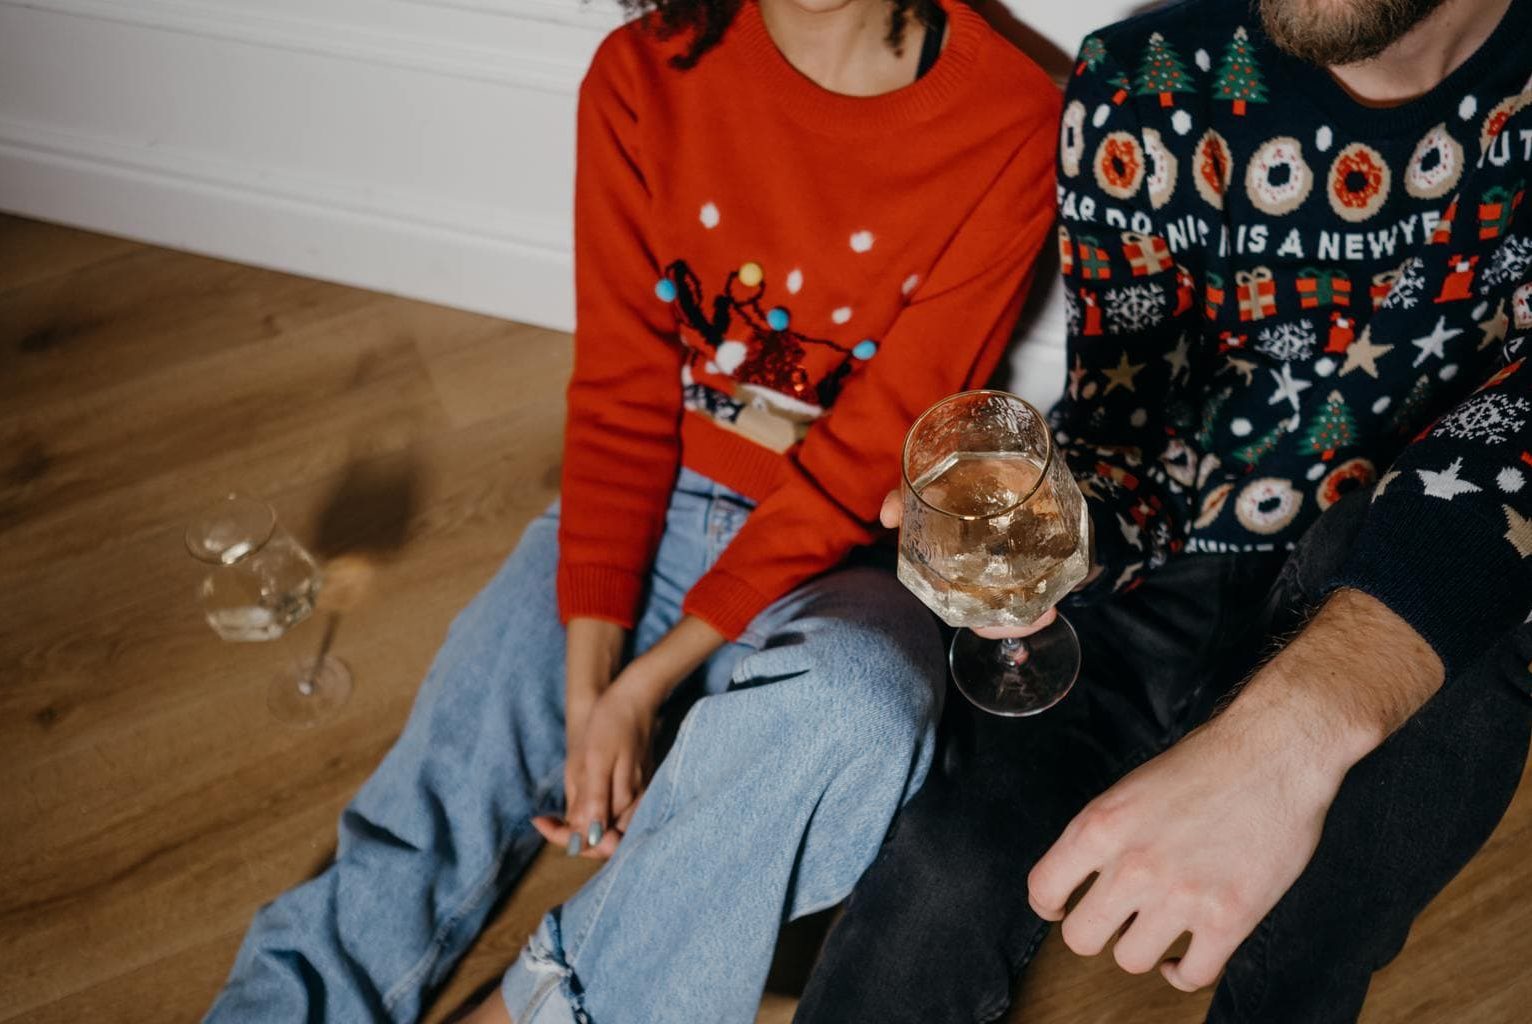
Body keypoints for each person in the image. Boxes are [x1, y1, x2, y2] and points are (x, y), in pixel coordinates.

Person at [205, 0, 1059, 1021]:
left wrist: (641, 684)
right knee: (420, 815)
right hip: (646, 517)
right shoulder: (640, 73)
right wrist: (589, 691)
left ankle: (544, 1006)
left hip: (839, 560)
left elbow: (867, 460)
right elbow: (619, 397)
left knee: (859, 704)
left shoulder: (1009, 119)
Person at [795, 0, 1532, 1019]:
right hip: (1157, 572)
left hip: (1392, 569)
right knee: (939, 876)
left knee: (1321, 935)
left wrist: (1298, 727)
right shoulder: (1142, 78)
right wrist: (1062, 522)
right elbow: (1124, 412)